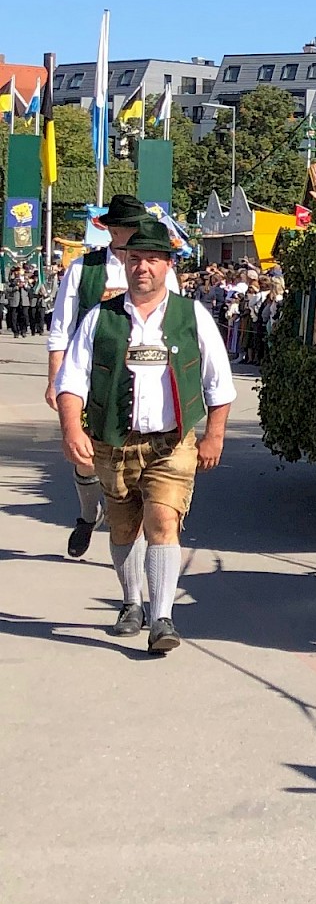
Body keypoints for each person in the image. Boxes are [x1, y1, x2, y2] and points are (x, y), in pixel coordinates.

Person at [53, 218, 234, 654]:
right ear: (126, 263)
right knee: (123, 527)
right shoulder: (101, 317)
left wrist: (214, 435)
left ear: (168, 266)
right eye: (136, 259)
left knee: (162, 519)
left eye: (153, 259)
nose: (143, 268)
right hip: (113, 442)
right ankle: (131, 601)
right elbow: (72, 381)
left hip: (170, 443)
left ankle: (162, 617)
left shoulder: (193, 316)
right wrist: (71, 427)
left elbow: (219, 381)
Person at [46, 194, 179, 561]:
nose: (134, 236)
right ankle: (89, 515)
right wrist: (55, 379)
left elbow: (181, 326)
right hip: (92, 378)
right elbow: (61, 329)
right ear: (111, 230)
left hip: (147, 379)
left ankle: (134, 529)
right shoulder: (83, 270)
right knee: (85, 457)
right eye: (127, 229)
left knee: (141, 458)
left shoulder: (161, 270)